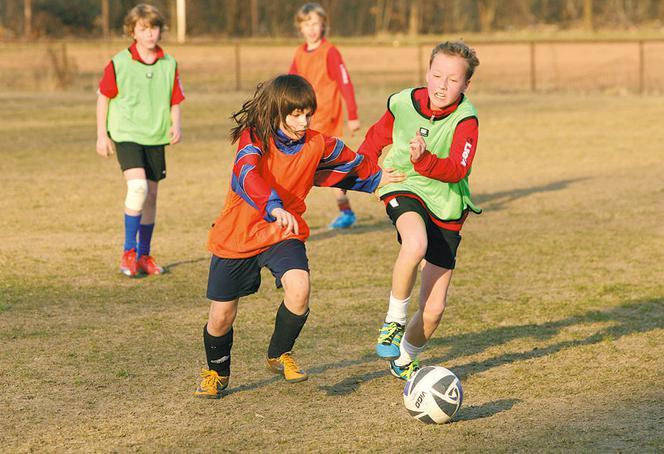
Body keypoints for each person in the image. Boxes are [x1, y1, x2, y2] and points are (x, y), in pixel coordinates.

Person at [194, 74, 403, 399]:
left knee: (299, 288)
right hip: (239, 233)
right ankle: (216, 372)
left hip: (283, 231)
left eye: (307, 113)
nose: (303, 121)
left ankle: (279, 354)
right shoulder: (254, 140)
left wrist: (377, 178)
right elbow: (247, 174)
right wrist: (273, 206)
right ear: (277, 112)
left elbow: (350, 164)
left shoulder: (317, 143)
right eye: (295, 114)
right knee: (221, 316)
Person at [359, 41, 481, 380]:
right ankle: (393, 322)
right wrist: (369, 174)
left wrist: (424, 159)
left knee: (434, 310)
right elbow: (375, 138)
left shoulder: (466, 119)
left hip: (446, 202)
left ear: (466, 85)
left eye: (453, 80)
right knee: (415, 245)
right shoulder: (402, 103)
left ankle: (403, 358)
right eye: (437, 75)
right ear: (427, 72)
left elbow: (458, 169)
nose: (442, 86)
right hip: (404, 184)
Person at [95, 3, 184, 277]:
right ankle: (127, 253)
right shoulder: (119, 62)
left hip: (155, 136)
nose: (150, 34)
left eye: (154, 28)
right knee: (138, 189)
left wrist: (176, 123)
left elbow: (175, 99)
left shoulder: (169, 63)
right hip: (126, 134)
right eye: (143, 29)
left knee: (152, 197)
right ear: (132, 31)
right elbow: (103, 98)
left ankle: (144, 255)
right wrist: (101, 135)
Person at [289, 2, 361, 229]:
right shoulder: (300, 53)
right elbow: (290, 84)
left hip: (326, 119)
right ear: (300, 27)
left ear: (324, 26)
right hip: (303, 120)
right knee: (301, 165)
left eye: (316, 24)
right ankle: (289, 210)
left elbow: (345, 82)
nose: (311, 29)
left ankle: (345, 211)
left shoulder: (330, 52)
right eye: (307, 24)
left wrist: (353, 115)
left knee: (321, 167)